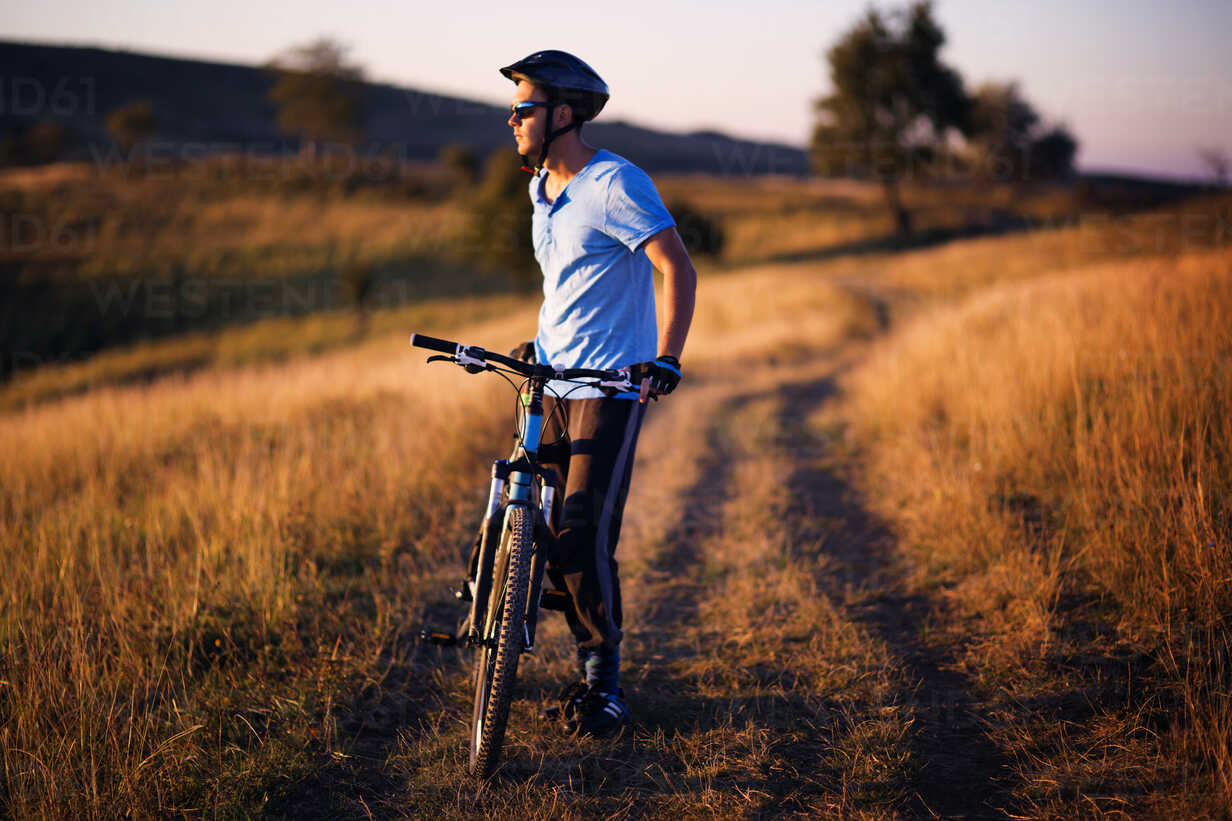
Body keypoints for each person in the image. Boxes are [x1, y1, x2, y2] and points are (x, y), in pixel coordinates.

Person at [500, 50, 697, 737]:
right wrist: (539, 344)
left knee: (584, 532)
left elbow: (676, 267)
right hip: (550, 382)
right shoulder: (540, 192)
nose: (513, 120)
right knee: (546, 532)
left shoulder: (615, 182)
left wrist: (665, 358)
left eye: (524, 109)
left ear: (562, 115)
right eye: (514, 108)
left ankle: (603, 681)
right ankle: (530, 646)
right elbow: (567, 286)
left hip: (610, 387)